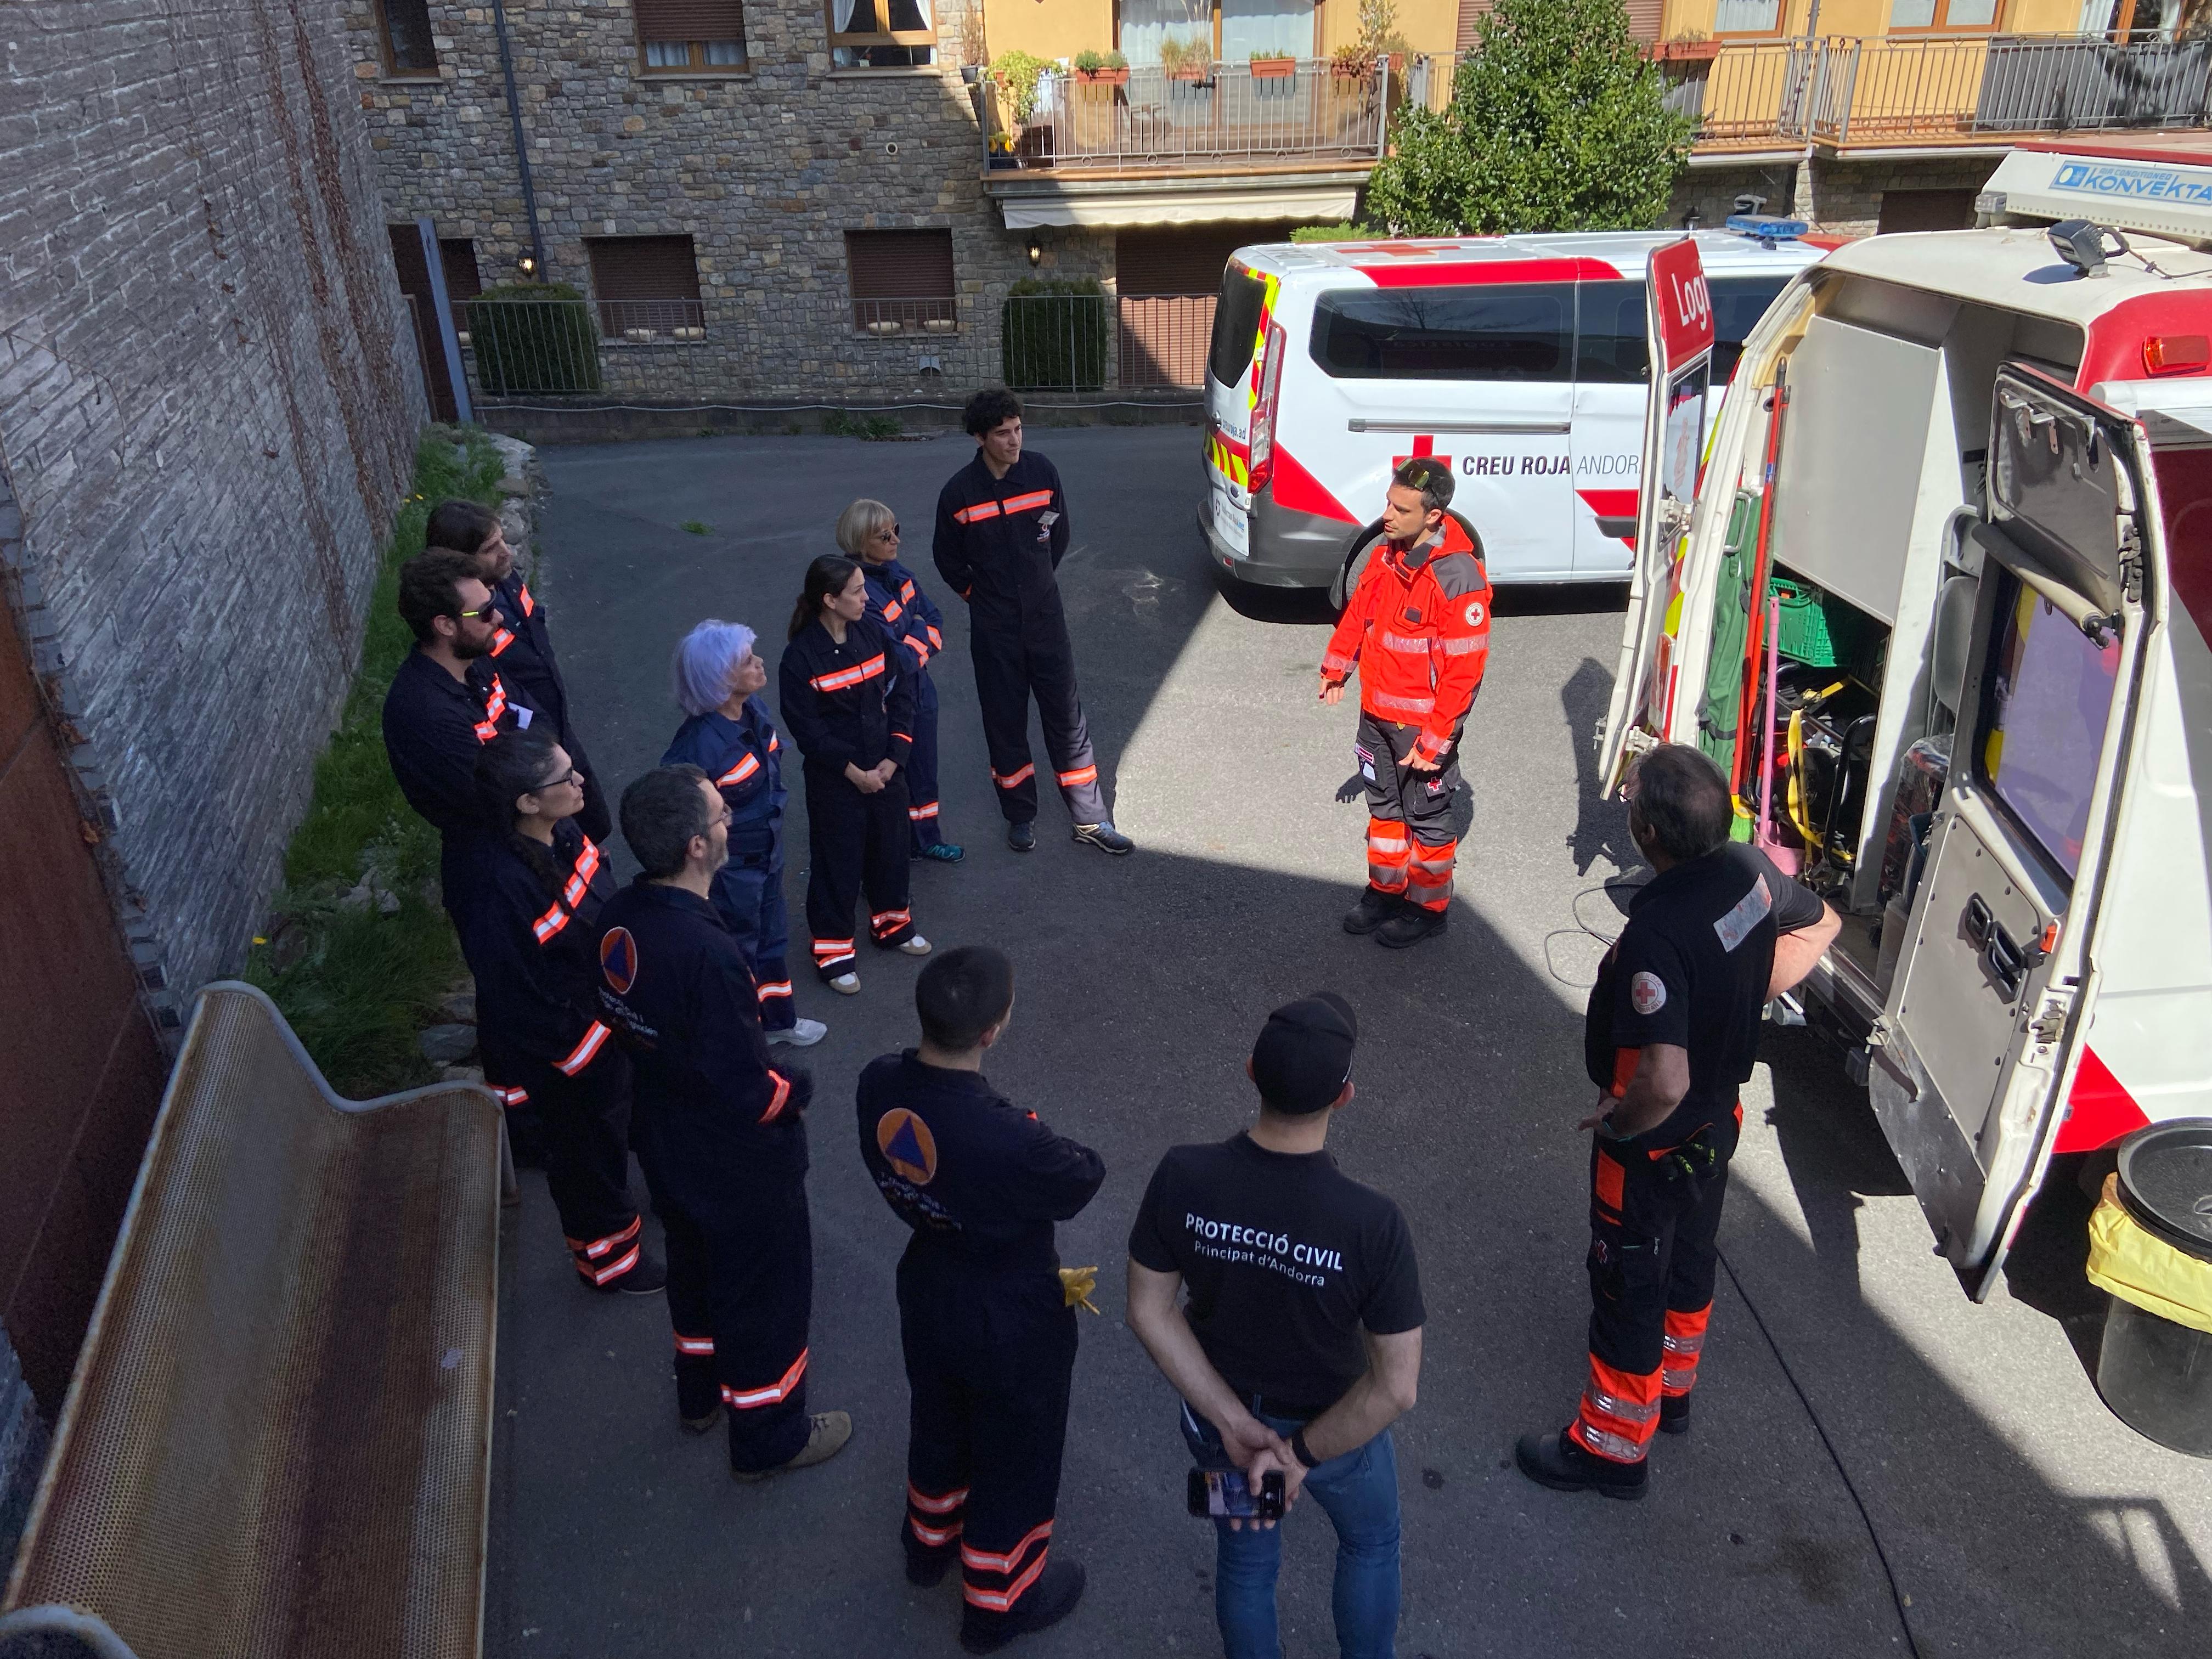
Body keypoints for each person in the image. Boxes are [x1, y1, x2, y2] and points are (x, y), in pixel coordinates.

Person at [1516, 744, 1839, 1500]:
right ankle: (1674, 1392)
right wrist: (1738, 998)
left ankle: (1610, 1449)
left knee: (1628, 1283)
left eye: (1630, 806)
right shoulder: (1751, 872)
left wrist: (1619, 1125)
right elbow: (1819, 929)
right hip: (1716, 1125)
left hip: (1652, 1146)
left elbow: (1662, 1080)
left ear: (1650, 834)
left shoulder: (1660, 931)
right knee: (1690, 1257)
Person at [1127, 994, 1424, 1659]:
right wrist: (1297, 1457)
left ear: (1251, 1071)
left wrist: (1234, 1426)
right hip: (1334, 1426)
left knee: (1246, 1567)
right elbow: (1396, 1387)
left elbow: (1149, 1309)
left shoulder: (1184, 1174)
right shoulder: (1372, 1224)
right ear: (1344, 1097)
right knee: (1371, 1542)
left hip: (1218, 1416)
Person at [595, 765, 852, 1480]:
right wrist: (793, 1092)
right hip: (734, 1162)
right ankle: (771, 1432)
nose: (729, 820)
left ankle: (700, 1395)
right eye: (718, 815)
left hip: (664, 1139)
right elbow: (747, 1083)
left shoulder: (620, 918)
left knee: (696, 1273)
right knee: (766, 1296)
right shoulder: (705, 954)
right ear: (696, 849)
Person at [856, 947, 1102, 1655]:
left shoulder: (879, 1084)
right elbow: (1083, 1176)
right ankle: (999, 1602)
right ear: (993, 1031)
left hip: (928, 1281)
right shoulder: (1010, 1141)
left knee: (938, 1419)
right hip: (1009, 1312)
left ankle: (928, 1545)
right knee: (1017, 1453)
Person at [452, 729, 661, 1294]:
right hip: (571, 1053)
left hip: (610, 1022)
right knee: (586, 1159)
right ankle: (610, 1262)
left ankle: (657, 1196)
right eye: (564, 778)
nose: (580, 782)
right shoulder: (497, 889)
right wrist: (592, 1047)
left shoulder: (564, 831)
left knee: (631, 1120)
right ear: (526, 802)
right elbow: (520, 999)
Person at [932, 388, 1132, 857]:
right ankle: (1020, 816)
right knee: (1005, 722)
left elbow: (1056, 533)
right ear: (980, 438)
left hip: (1046, 620)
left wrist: (1038, 583)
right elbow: (948, 560)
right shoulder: (959, 494)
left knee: (1067, 718)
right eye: (1003, 433)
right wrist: (981, 599)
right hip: (994, 628)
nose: (1014, 440)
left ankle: (1090, 818)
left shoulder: (1042, 473)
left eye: (1019, 429)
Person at [1317, 456, 1492, 951]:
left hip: (1420, 732)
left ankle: (1427, 907)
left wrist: (1435, 744)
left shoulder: (1459, 578)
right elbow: (1358, 615)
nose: (1387, 516)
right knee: (1385, 811)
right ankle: (1386, 892)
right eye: (1388, 504)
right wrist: (1336, 669)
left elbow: (1465, 673)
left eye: (1400, 509)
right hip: (1376, 716)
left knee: (1428, 819)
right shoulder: (1388, 554)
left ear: (1433, 516)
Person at [662, 619, 825, 1048]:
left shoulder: (754, 713)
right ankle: (740, 1041)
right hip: (731, 873)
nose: (759, 663)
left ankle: (776, 1023)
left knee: (772, 939)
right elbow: (675, 814)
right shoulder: (696, 747)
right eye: (747, 661)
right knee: (737, 953)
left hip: (766, 859)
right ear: (719, 679)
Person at [778, 555, 932, 994]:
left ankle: (893, 927)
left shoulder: (871, 632)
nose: (867, 598)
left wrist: (895, 757)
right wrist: (854, 772)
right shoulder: (801, 659)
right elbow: (809, 732)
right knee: (838, 862)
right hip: (837, 781)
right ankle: (833, 952)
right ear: (829, 600)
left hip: (885, 769)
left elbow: (902, 690)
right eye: (858, 591)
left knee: (892, 848)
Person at [425, 498, 612, 844]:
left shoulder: (507, 584)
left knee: (596, 829)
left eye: (503, 541)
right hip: (534, 769)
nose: (506, 553)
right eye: (491, 548)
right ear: (459, 560)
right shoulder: (468, 633)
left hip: (556, 732)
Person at [381, 549, 536, 906]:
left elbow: (531, 718)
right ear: (446, 625)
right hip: (501, 875)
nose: (498, 616)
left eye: (493, 602)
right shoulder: (424, 716)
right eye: (483, 612)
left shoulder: (475, 664)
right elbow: (496, 798)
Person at [838, 498, 963, 866]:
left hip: (919, 690)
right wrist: (919, 634)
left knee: (924, 766)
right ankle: (888, 849)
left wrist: (915, 636)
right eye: (884, 535)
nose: (895, 540)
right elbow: (898, 658)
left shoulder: (900, 574)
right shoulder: (860, 592)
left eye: (896, 530)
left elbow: (935, 620)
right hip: (887, 700)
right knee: (890, 774)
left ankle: (925, 839)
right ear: (862, 543)